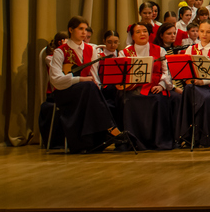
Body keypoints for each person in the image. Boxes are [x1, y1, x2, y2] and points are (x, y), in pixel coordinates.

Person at [42, 16, 129, 152]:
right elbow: (56, 80)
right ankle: (110, 128)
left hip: (87, 92)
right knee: (88, 86)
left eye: (85, 29)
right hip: (65, 92)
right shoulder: (60, 51)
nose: (84, 32)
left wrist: (96, 86)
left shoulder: (91, 50)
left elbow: (94, 76)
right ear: (71, 30)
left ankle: (91, 141)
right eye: (80, 29)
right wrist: (79, 79)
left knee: (96, 88)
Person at [119, 22, 179, 150]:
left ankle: (159, 140)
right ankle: (135, 140)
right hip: (133, 88)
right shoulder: (124, 53)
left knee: (158, 99)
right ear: (132, 36)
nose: (142, 34)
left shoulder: (160, 50)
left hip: (155, 86)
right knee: (130, 100)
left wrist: (162, 85)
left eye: (145, 31)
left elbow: (166, 72)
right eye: (138, 32)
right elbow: (122, 76)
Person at [175, 19, 210, 148]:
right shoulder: (190, 49)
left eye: (208, 32)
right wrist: (190, 79)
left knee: (205, 98)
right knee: (188, 90)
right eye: (202, 31)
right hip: (195, 87)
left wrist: (202, 81)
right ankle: (187, 135)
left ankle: (204, 136)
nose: (204, 34)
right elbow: (185, 71)